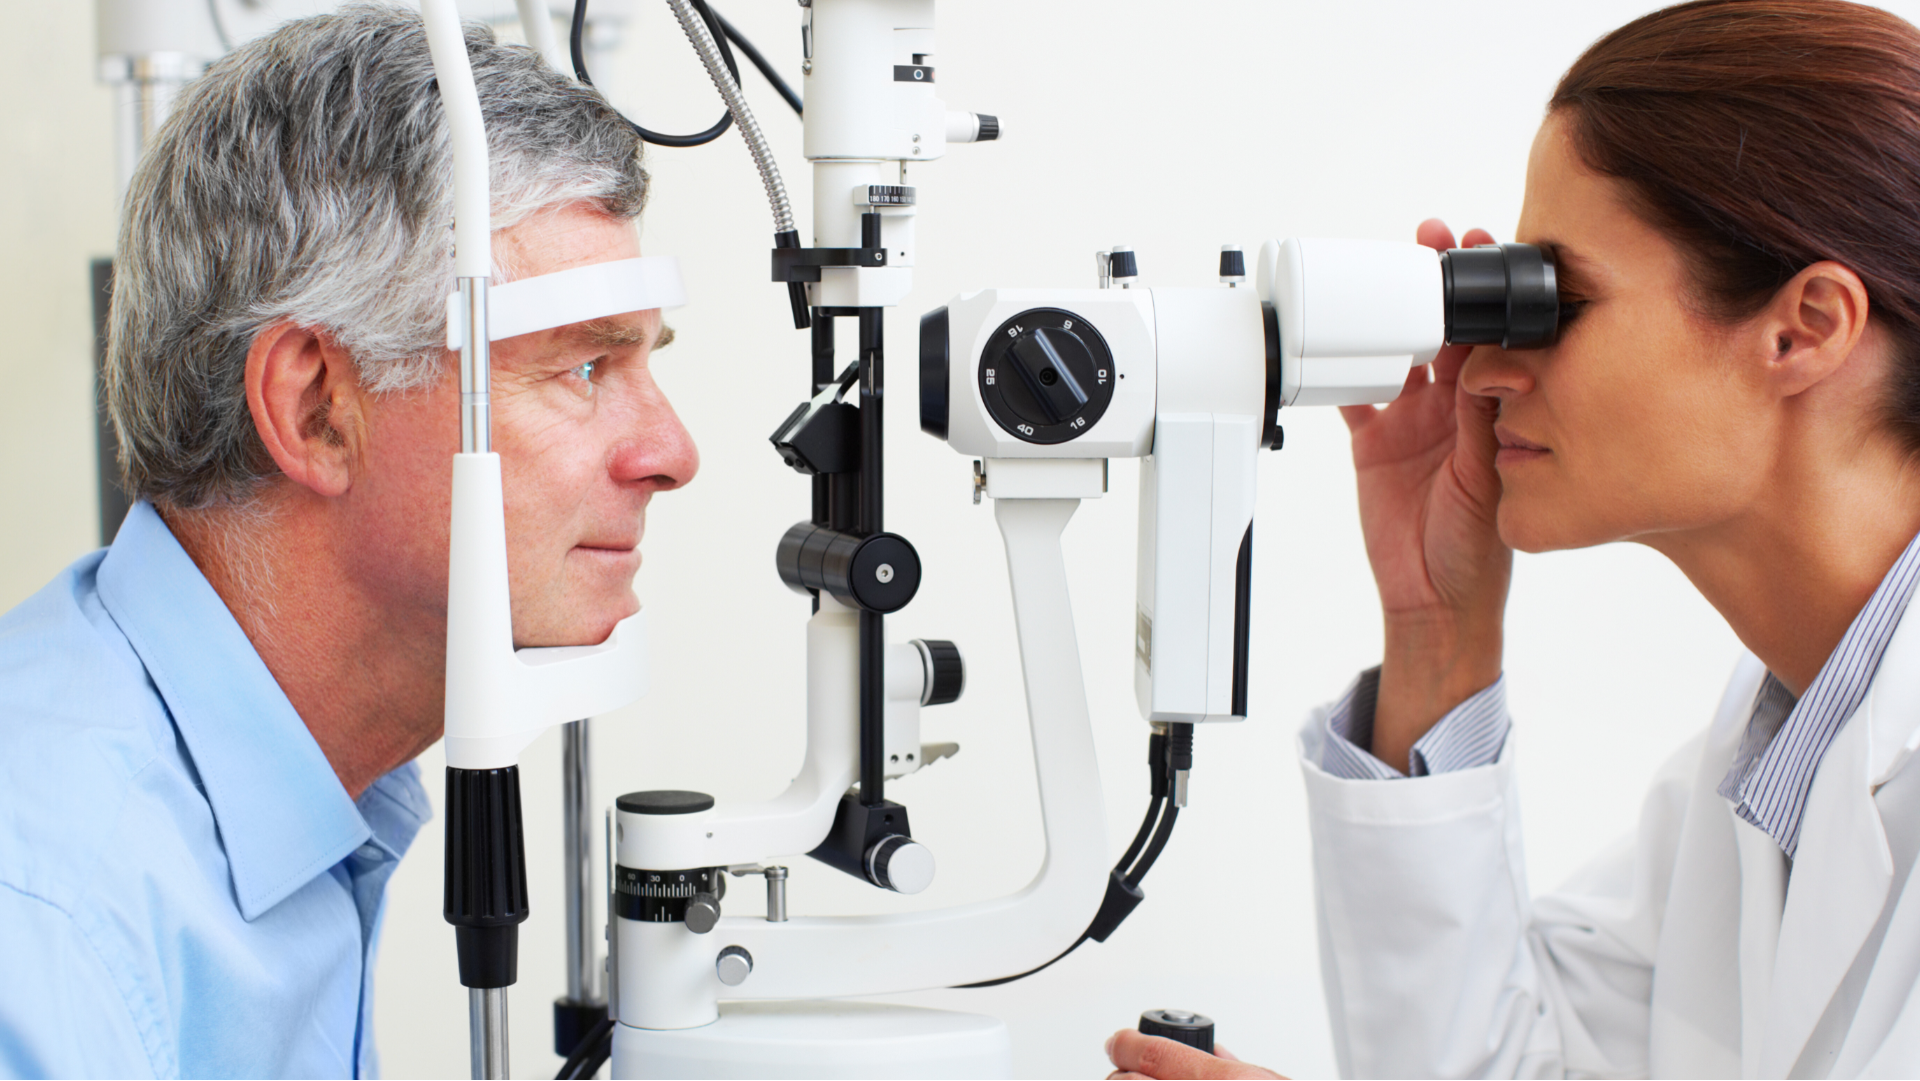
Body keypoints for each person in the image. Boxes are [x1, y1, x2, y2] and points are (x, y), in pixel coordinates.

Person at [1107, 1, 1920, 1077]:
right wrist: (1437, 627)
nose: (1484, 372)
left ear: (1803, 327)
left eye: (1557, 300)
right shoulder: (1773, 761)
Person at [0, 6, 697, 1076]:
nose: (671, 451)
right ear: (320, 408)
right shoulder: (50, 923)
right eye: (583, 368)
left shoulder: (308, 806)